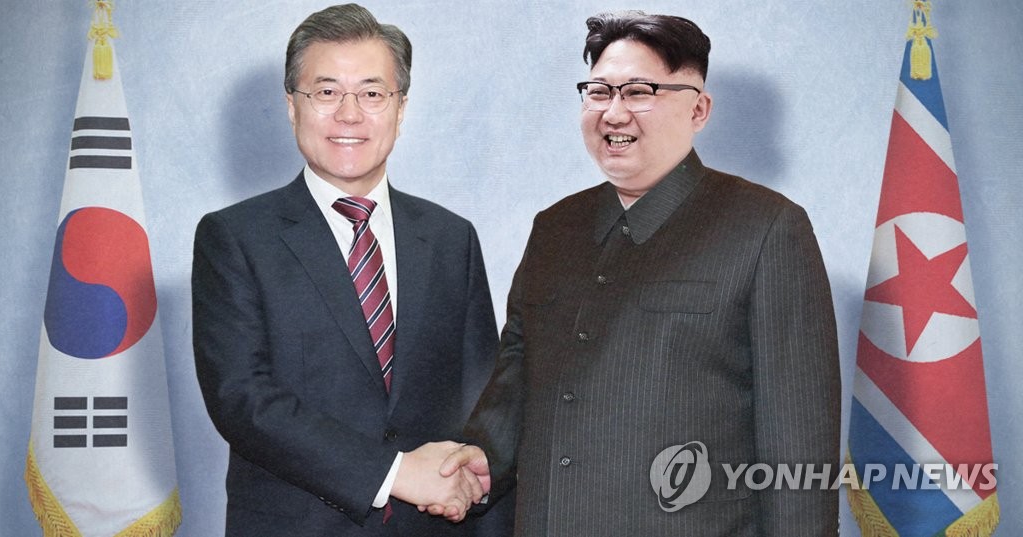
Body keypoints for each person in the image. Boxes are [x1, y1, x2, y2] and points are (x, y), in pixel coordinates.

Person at [440, 10, 841, 536]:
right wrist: (476, 463)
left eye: (638, 92)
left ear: (699, 109)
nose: (614, 113)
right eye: (598, 92)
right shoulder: (555, 228)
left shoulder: (766, 228)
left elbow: (799, 444)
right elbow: (516, 380)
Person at [191, 4, 500, 535]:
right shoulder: (235, 238)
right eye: (327, 92)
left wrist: (475, 484)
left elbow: (483, 401)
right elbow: (242, 400)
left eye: (372, 94)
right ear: (292, 106)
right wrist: (394, 472)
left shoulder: (451, 239)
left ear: (401, 108)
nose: (350, 114)